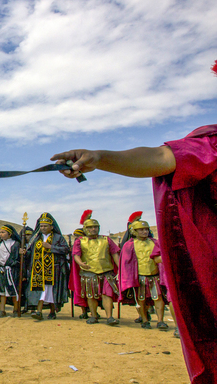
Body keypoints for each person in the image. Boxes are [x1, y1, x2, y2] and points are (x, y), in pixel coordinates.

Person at [53, 121, 217, 383]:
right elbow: (161, 157)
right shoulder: (212, 142)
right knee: (111, 297)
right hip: (98, 273)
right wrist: (99, 157)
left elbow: (120, 255)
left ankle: (139, 318)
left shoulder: (110, 240)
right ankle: (100, 316)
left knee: (148, 298)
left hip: (124, 273)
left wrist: (117, 271)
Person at [70, 211, 120, 326]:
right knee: (90, 295)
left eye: (96, 227)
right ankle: (93, 315)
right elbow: (76, 255)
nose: (93, 229)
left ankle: (109, 317)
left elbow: (115, 254)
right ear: (86, 229)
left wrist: (120, 268)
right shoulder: (80, 241)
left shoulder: (106, 240)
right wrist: (81, 263)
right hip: (89, 272)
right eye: (91, 227)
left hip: (106, 271)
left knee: (107, 294)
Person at [118, 215, 168, 330]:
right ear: (134, 231)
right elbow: (125, 264)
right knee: (141, 299)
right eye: (141, 230)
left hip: (155, 276)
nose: (144, 231)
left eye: (146, 229)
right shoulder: (129, 245)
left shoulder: (155, 242)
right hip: (139, 277)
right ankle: (145, 320)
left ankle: (160, 321)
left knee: (158, 298)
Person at [26, 213, 70, 320]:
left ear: (51, 227)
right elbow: (30, 253)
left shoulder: (58, 237)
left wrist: (51, 247)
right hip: (38, 271)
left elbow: (66, 249)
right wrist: (24, 252)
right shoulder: (36, 239)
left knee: (51, 291)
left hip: (54, 270)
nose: (43, 228)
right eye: (41, 226)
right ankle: (39, 312)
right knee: (42, 291)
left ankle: (52, 311)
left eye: (45, 226)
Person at [0, 225, 21, 318]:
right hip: (0, 270)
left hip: (11, 271)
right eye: (0, 232)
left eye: (3, 232)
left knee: (13, 290)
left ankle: (16, 310)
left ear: (10, 234)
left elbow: (18, 258)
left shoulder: (16, 244)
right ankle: (2, 310)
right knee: (2, 291)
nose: (1, 234)